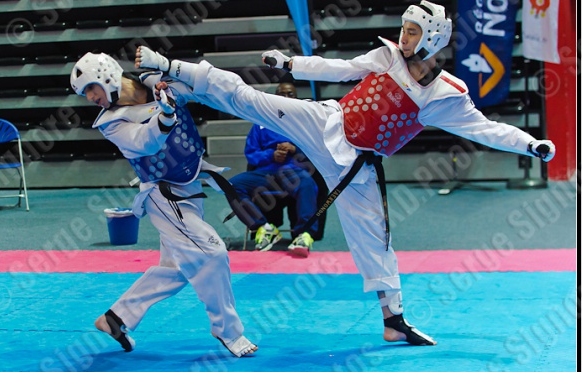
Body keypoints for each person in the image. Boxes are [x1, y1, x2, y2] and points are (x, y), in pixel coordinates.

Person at [134, 0, 555, 346]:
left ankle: (394, 322)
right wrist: (290, 64)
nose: (404, 37)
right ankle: (172, 69)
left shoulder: (448, 95)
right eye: (404, 29)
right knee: (249, 99)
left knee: (377, 240)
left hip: (358, 167)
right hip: (326, 122)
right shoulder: (387, 55)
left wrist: (530, 145)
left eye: (412, 32)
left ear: (434, 38)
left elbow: (486, 129)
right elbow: (338, 69)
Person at [69, 52, 257, 357]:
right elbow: (146, 142)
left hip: (189, 184)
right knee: (212, 253)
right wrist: (165, 116)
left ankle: (116, 318)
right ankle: (229, 331)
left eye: (91, 87)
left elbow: (199, 87)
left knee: (181, 266)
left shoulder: (155, 81)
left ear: (106, 75)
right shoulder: (111, 122)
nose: (90, 97)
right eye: (85, 93)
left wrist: (169, 69)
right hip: (163, 197)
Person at [229, 82, 319, 256]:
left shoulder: (304, 122)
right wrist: (271, 155)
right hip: (265, 173)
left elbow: (317, 151)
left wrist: (295, 150)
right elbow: (251, 153)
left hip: (293, 172)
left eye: (290, 94)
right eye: (282, 94)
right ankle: (264, 228)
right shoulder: (261, 122)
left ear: (296, 97)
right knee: (232, 185)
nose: (286, 98)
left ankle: (304, 234)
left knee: (308, 183)